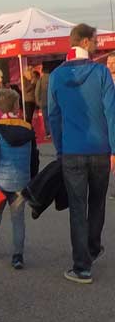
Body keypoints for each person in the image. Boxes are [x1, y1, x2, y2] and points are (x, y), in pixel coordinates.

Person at [47, 23, 115, 284]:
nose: (98, 43)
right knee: (97, 204)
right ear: (85, 42)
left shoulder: (56, 76)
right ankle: (93, 248)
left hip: (72, 151)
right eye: (95, 40)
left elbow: (53, 116)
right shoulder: (101, 74)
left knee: (77, 208)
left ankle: (81, 267)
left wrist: (60, 148)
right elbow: (111, 112)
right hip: (100, 150)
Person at [0, 88, 39, 269]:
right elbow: (33, 157)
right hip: (21, 180)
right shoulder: (28, 128)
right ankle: (18, 256)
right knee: (18, 219)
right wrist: (32, 179)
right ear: (16, 105)